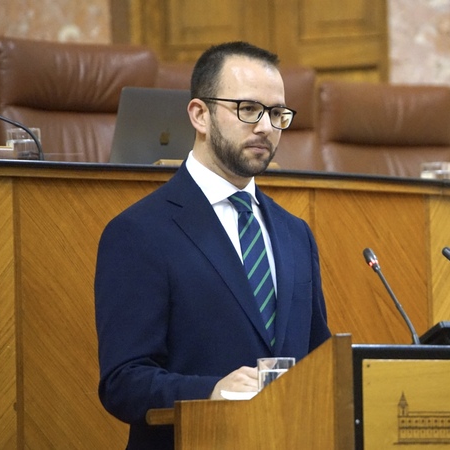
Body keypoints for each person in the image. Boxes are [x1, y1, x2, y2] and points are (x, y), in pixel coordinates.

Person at [94, 41, 331, 449]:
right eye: (248, 110)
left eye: (277, 114)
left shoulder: (296, 234)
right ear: (200, 115)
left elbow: (318, 360)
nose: (265, 127)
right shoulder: (138, 232)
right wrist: (212, 391)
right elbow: (123, 381)